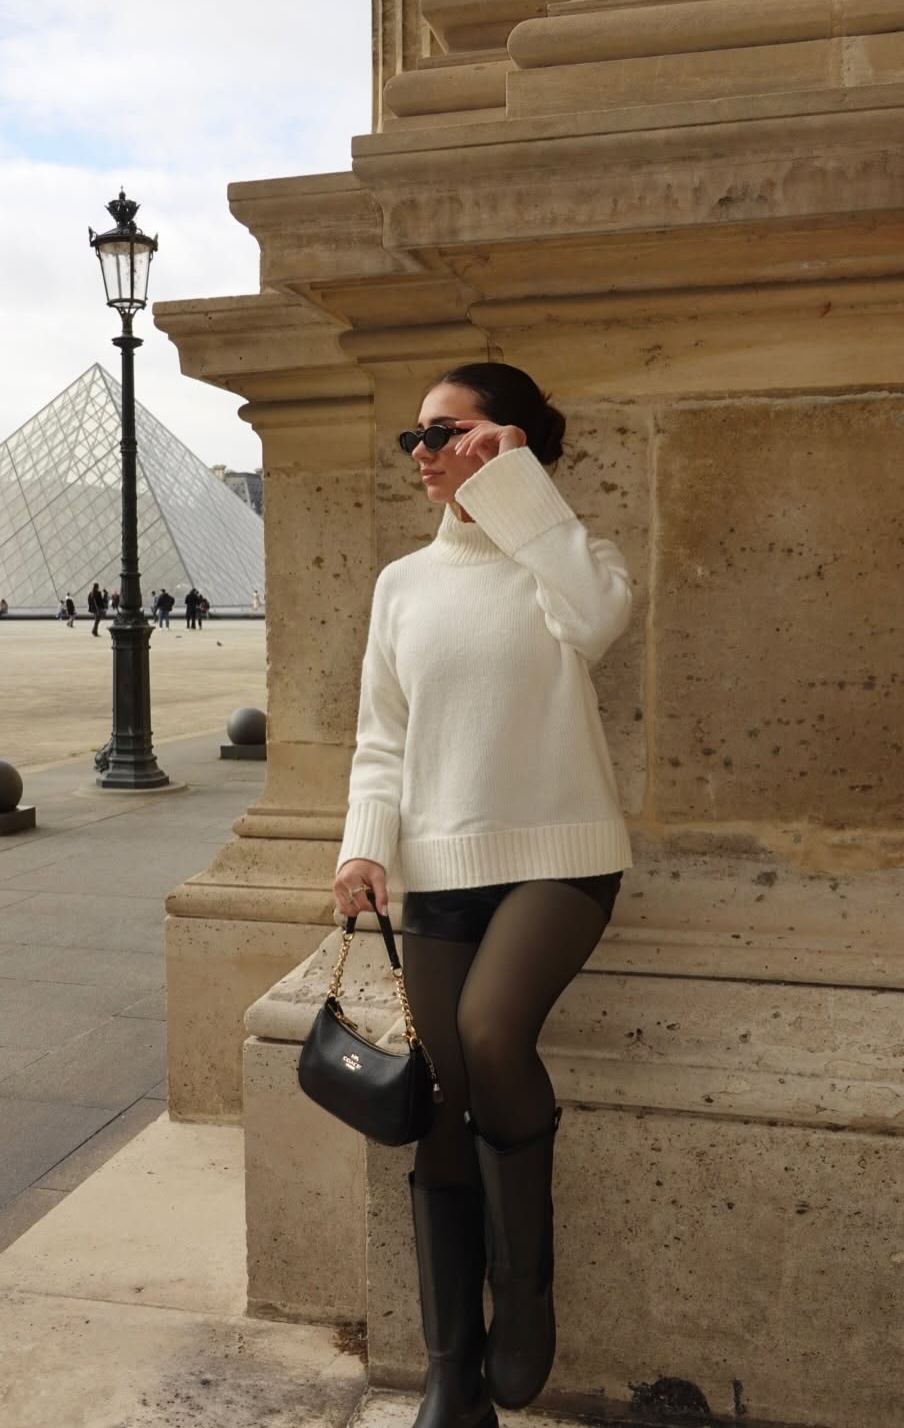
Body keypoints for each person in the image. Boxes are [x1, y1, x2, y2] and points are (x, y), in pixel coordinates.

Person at [332, 363, 633, 1426]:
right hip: (438, 869)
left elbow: (597, 619)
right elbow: (382, 738)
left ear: (505, 439)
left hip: (563, 857)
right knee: (444, 1095)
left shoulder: (567, 559)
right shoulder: (403, 585)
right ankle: (452, 1371)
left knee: (491, 1033)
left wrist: (516, 483)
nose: (420, 454)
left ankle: (528, 1293)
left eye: (442, 433)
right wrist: (364, 848)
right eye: (411, 438)